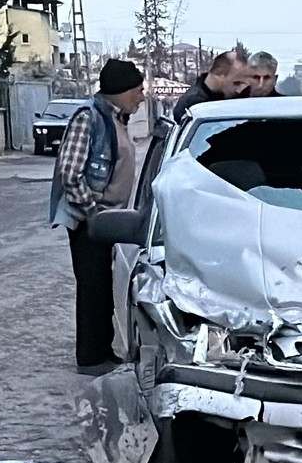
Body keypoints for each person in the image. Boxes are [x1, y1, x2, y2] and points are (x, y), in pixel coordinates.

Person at [47, 59, 147, 376]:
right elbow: (69, 172)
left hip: (107, 220)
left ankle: (101, 351)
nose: (142, 97)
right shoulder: (89, 119)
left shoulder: (116, 119)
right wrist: (92, 211)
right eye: (137, 90)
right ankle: (91, 359)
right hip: (91, 220)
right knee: (93, 288)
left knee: (103, 286)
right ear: (120, 91)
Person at [171, 51, 250, 121]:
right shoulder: (195, 105)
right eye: (236, 83)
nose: (239, 90)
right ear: (219, 75)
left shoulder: (221, 97)